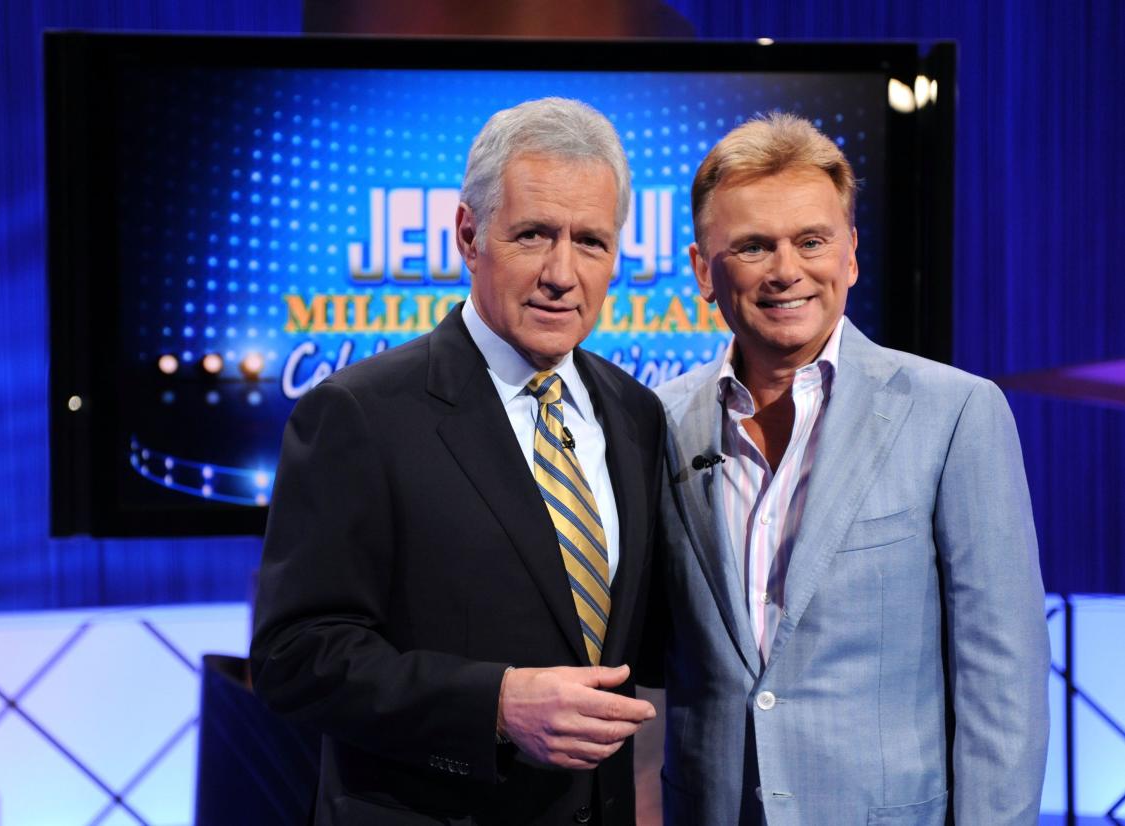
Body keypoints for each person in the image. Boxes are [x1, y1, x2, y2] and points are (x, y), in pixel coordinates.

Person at [251, 97, 666, 826]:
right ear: (468, 236)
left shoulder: (634, 413)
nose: (561, 273)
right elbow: (295, 657)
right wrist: (496, 706)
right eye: (533, 234)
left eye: (591, 242)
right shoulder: (360, 413)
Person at [656, 113, 1049, 825]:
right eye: (751, 246)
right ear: (701, 271)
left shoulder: (954, 412)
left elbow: (1003, 679)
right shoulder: (656, 422)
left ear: (850, 256)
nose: (785, 270)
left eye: (811, 241)